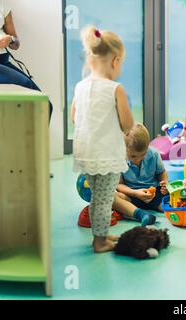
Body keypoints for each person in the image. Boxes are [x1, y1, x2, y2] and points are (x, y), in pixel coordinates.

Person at [71, 26, 134, 253]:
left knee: (97, 197)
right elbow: (127, 124)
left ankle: (102, 234)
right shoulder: (115, 89)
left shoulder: (80, 87)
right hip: (106, 153)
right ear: (115, 61)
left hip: (87, 151)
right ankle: (100, 242)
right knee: (105, 199)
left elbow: (73, 116)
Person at [0, 0, 53, 120]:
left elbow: (16, 43)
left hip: (3, 60)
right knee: (26, 85)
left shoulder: (3, 5)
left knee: (46, 104)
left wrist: (10, 40)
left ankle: (35, 138)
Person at [113, 124, 169, 226]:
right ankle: (141, 214)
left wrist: (165, 183)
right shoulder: (118, 159)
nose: (138, 159)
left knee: (174, 198)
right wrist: (135, 193)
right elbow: (119, 184)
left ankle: (132, 211)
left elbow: (161, 172)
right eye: (133, 156)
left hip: (154, 194)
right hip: (131, 195)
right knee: (112, 197)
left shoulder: (154, 154)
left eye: (143, 154)